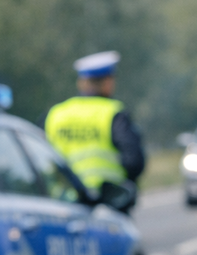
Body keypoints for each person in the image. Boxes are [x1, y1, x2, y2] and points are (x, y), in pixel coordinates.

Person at [45, 51, 146, 200]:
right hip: (108, 200)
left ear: (81, 83)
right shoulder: (113, 113)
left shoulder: (56, 114)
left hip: (64, 200)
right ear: (108, 83)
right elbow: (134, 162)